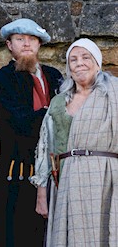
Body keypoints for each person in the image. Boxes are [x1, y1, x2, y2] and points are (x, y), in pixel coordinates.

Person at [31, 38, 118, 246]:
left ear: (97, 62)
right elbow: (45, 148)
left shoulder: (114, 95)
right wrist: (41, 193)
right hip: (67, 178)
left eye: (86, 57)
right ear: (68, 68)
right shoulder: (59, 101)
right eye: (73, 60)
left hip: (106, 177)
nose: (79, 63)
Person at [0, 18, 63, 247]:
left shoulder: (55, 76)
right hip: (16, 172)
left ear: (39, 44)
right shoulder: (3, 79)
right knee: (14, 236)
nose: (26, 44)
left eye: (32, 39)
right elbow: (17, 123)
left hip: (56, 172)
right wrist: (52, 114)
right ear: (10, 45)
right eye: (20, 39)